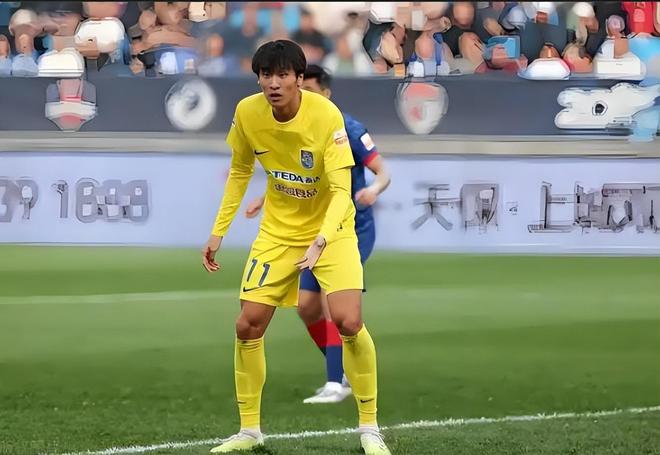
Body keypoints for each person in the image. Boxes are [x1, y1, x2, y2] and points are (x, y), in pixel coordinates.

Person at [202, 40, 391, 455]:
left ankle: (370, 427)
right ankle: (249, 431)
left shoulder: (327, 116)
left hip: (333, 231)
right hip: (278, 234)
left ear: (299, 79)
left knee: (348, 321)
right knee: (247, 324)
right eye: (266, 75)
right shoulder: (247, 113)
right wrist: (219, 231)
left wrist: (322, 239)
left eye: (283, 75)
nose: (273, 83)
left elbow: (341, 189)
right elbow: (240, 170)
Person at [245, 64, 391, 405]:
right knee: (307, 307)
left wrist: (374, 190)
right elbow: (295, 177)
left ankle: (335, 382)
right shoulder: (299, 128)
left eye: (309, 90)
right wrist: (265, 197)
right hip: (313, 229)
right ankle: (346, 369)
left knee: (331, 302)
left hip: (350, 228)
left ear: (326, 92)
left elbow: (383, 171)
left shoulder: (348, 129)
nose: (303, 96)